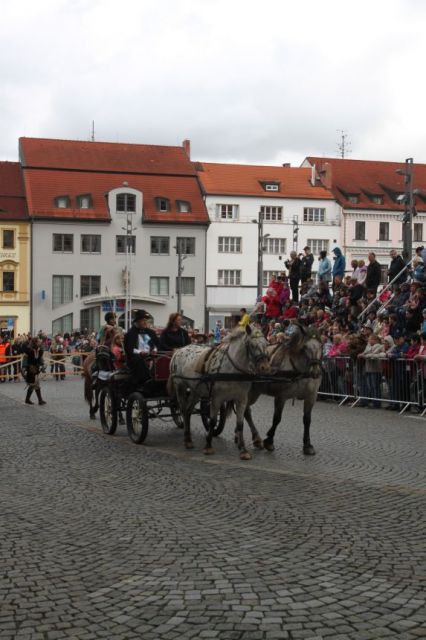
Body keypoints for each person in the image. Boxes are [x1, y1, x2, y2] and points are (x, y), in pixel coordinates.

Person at [124, 309, 160, 386]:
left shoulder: (151, 332)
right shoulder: (130, 334)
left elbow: (158, 344)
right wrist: (140, 352)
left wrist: (155, 350)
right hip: (136, 358)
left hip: (151, 356)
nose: (145, 322)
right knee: (139, 360)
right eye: (143, 320)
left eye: (146, 320)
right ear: (137, 321)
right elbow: (131, 350)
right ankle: (146, 381)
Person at [22, 337, 46, 405]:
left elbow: (39, 359)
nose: (40, 342)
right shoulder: (29, 350)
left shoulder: (39, 350)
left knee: (34, 384)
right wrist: (24, 368)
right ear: (35, 342)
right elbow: (25, 358)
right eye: (38, 341)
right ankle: (39, 400)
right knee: (34, 384)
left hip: (36, 368)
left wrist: (42, 365)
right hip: (31, 369)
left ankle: (32, 400)